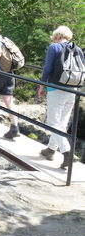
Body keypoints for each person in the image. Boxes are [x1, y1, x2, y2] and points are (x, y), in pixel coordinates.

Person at [38, 26, 82, 169]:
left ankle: (67, 152)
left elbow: (48, 68)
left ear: (56, 35)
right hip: (73, 89)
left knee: (52, 122)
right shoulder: (78, 49)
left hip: (56, 88)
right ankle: (50, 149)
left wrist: (42, 85)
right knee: (62, 122)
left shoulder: (54, 47)